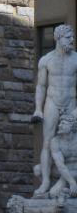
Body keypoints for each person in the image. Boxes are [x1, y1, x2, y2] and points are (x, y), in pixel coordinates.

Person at [31, 24, 77, 196]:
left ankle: (68, 180)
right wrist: (38, 109)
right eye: (68, 37)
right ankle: (45, 182)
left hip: (71, 103)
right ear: (58, 38)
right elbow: (41, 86)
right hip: (52, 102)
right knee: (47, 142)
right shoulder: (46, 60)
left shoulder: (76, 59)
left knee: (72, 140)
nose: (72, 40)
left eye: (72, 37)